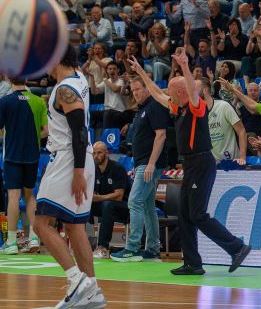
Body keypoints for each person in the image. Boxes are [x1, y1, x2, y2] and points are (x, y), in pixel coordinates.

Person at [128, 52, 252, 275]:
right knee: (185, 215)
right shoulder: (178, 108)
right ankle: (193, 263)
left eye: (171, 91)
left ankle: (237, 247)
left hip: (202, 163)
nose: (167, 94)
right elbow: (156, 93)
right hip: (190, 165)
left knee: (197, 215)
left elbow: (191, 90)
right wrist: (141, 73)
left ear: (180, 92)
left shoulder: (196, 106)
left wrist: (185, 66)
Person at [33, 45, 106, 307]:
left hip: (69, 160)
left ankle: (76, 279)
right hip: (80, 158)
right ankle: (92, 291)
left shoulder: (65, 90)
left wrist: (77, 173)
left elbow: (79, 133)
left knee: (41, 223)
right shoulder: (79, 78)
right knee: (75, 227)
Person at [110, 76, 168, 263]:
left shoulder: (155, 105)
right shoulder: (142, 109)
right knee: (148, 206)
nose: (135, 93)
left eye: (138, 89)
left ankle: (132, 248)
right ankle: (152, 249)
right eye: (133, 90)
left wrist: (151, 164)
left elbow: (161, 135)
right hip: (142, 163)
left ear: (147, 88)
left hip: (150, 164)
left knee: (134, 202)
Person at [0, 78, 48, 255]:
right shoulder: (38, 101)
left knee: (13, 196)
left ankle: (11, 242)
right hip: (32, 156)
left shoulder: (4, 101)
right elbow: (46, 131)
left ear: (8, 79)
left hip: (12, 155)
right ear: (27, 79)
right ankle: (34, 238)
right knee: (30, 195)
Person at [91, 142, 130, 260]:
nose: (96, 156)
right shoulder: (93, 170)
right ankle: (78, 245)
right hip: (105, 205)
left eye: (99, 153)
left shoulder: (117, 168)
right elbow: (93, 193)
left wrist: (98, 198)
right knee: (82, 205)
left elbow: (119, 195)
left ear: (106, 153)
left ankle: (103, 247)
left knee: (107, 205)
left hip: (124, 207)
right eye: (94, 153)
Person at [199, 78, 247, 165]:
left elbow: (241, 131)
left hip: (232, 162)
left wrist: (242, 157)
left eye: (194, 89)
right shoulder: (196, 113)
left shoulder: (223, 106)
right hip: (212, 164)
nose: (191, 92)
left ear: (205, 90)